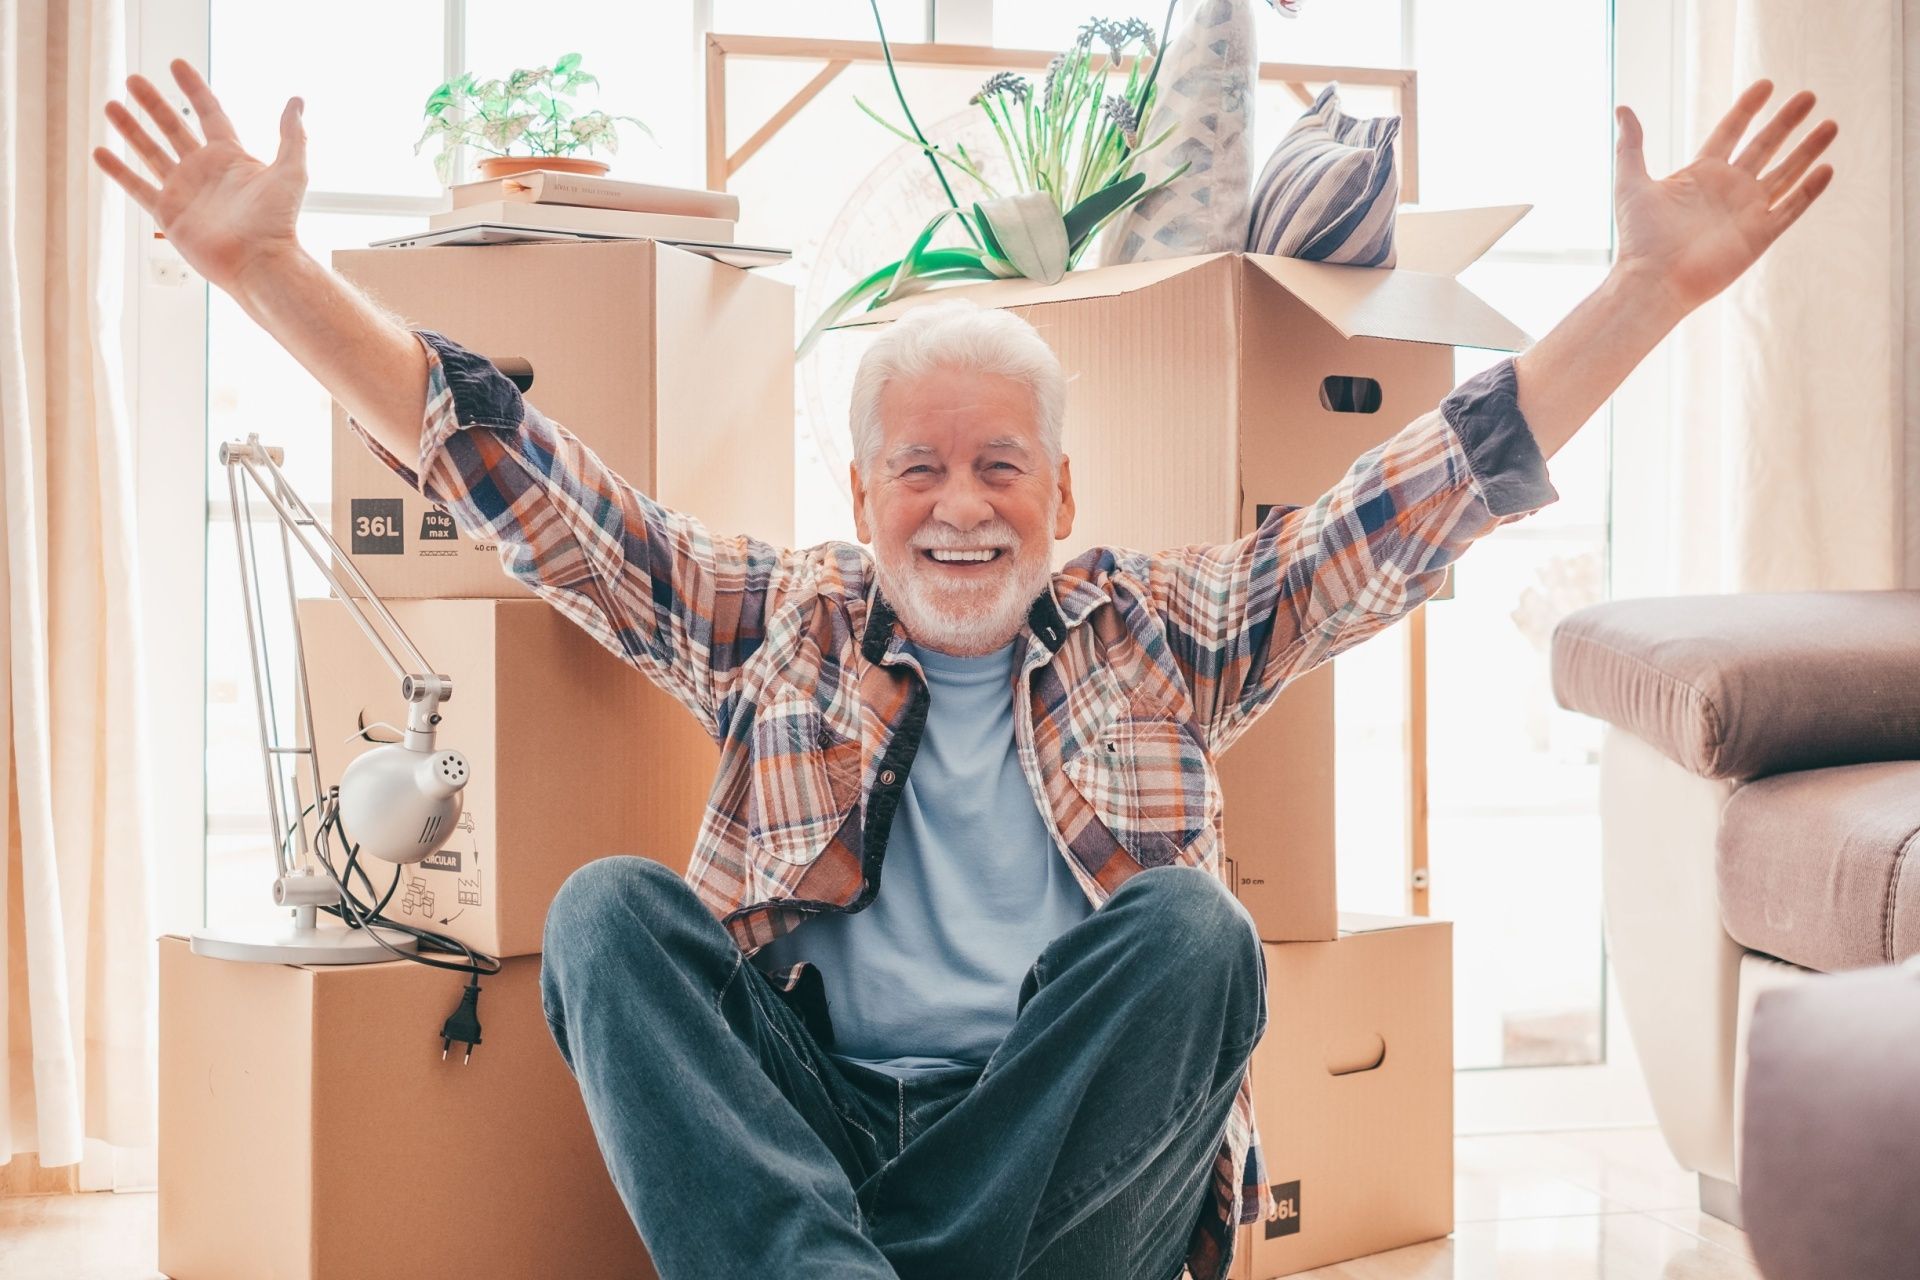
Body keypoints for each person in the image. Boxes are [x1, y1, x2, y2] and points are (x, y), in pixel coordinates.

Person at [94, 60, 1836, 1280]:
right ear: (859, 499)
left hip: (1066, 1169)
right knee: (618, 915)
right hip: (824, 1129)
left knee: (1194, 935)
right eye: (916, 470)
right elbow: (522, 481)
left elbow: (1419, 497)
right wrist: (265, 272)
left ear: (1064, 496)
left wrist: (1643, 295)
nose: (959, 506)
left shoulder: (1164, 627)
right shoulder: (774, 619)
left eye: (1001, 465)